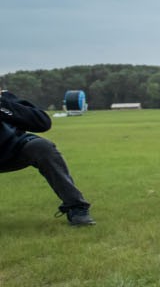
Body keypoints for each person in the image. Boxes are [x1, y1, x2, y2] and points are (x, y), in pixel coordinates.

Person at [1, 85, 95, 226]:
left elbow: (42, 123)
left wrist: (2, 104)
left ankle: (76, 207)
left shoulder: (6, 100)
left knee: (42, 147)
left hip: (11, 150)